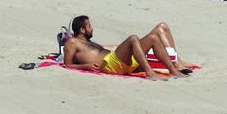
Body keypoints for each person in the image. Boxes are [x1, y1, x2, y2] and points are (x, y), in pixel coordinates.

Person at [62, 16, 192, 80]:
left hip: (118, 61)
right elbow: (67, 64)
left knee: (153, 37)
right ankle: (150, 73)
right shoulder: (72, 42)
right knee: (133, 38)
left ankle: (173, 70)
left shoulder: (88, 42)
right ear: (82, 29)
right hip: (110, 66)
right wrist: (86, 66)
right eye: (90, 26)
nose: (92, 28)